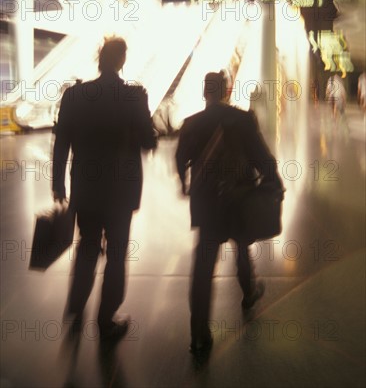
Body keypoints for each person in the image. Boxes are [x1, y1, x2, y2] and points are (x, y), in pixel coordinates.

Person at [52, 37, 157, 340]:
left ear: (100, 59)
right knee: (116, 252)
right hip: (121, 190)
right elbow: (148, 140)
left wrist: (58, 183)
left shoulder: (74, 95)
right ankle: (106, 318)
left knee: (86, 245)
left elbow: (61, 143)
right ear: (122, 60)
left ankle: (75, 306)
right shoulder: (134, 96)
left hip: (85, 186)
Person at [176, 71, 283, 356]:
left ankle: (199, 333)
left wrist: (185, 184)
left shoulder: (191, 124)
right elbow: (262, 156)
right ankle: (248, 294)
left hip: (206, 203)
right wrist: (275, 183)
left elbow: (180, 161)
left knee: (203, 266)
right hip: (239, 198)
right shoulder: (242, 119)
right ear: (225, 91)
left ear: (204, 93)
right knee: (242, 247)